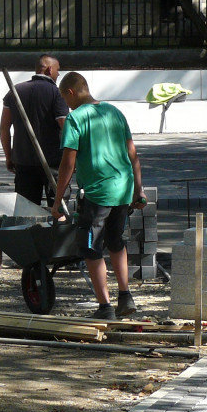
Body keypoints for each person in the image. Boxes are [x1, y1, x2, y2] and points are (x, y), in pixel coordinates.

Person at [50, 72, 146, 320]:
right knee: (116, 242)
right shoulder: (114, 112)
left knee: (91, 248)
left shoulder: (76, 118)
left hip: (98, 193)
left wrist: (57, 200)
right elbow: (132, 152)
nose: (66, 104)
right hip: (123, 189)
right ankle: (125, 297)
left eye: (64, 98)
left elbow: (67, 164)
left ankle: (105, 308)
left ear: (70, 92)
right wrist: (139, 189)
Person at [0, 54, 69, 205]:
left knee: (26, 209)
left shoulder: (15, 91)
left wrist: (9, 156)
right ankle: (57, 229)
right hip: (53, 162)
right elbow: (66, 126)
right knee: (59, 208)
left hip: (23, 160)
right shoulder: (57, 93)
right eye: (58, 70)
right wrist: (72, 157)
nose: (58, 74)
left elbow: (4, 128)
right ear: (50, 69)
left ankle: (30, 229)